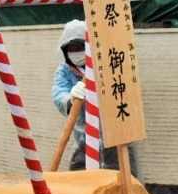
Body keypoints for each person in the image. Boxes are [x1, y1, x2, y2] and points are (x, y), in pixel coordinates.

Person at [51, 19, 137, 173]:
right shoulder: (64, 71)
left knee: (122, 178)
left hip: (116, 134)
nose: (75, 52)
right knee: (82, 180)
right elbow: (59, 92)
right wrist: (69, 98)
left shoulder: (106, 63)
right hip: (84, 138)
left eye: (79, 47)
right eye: (71, 48)